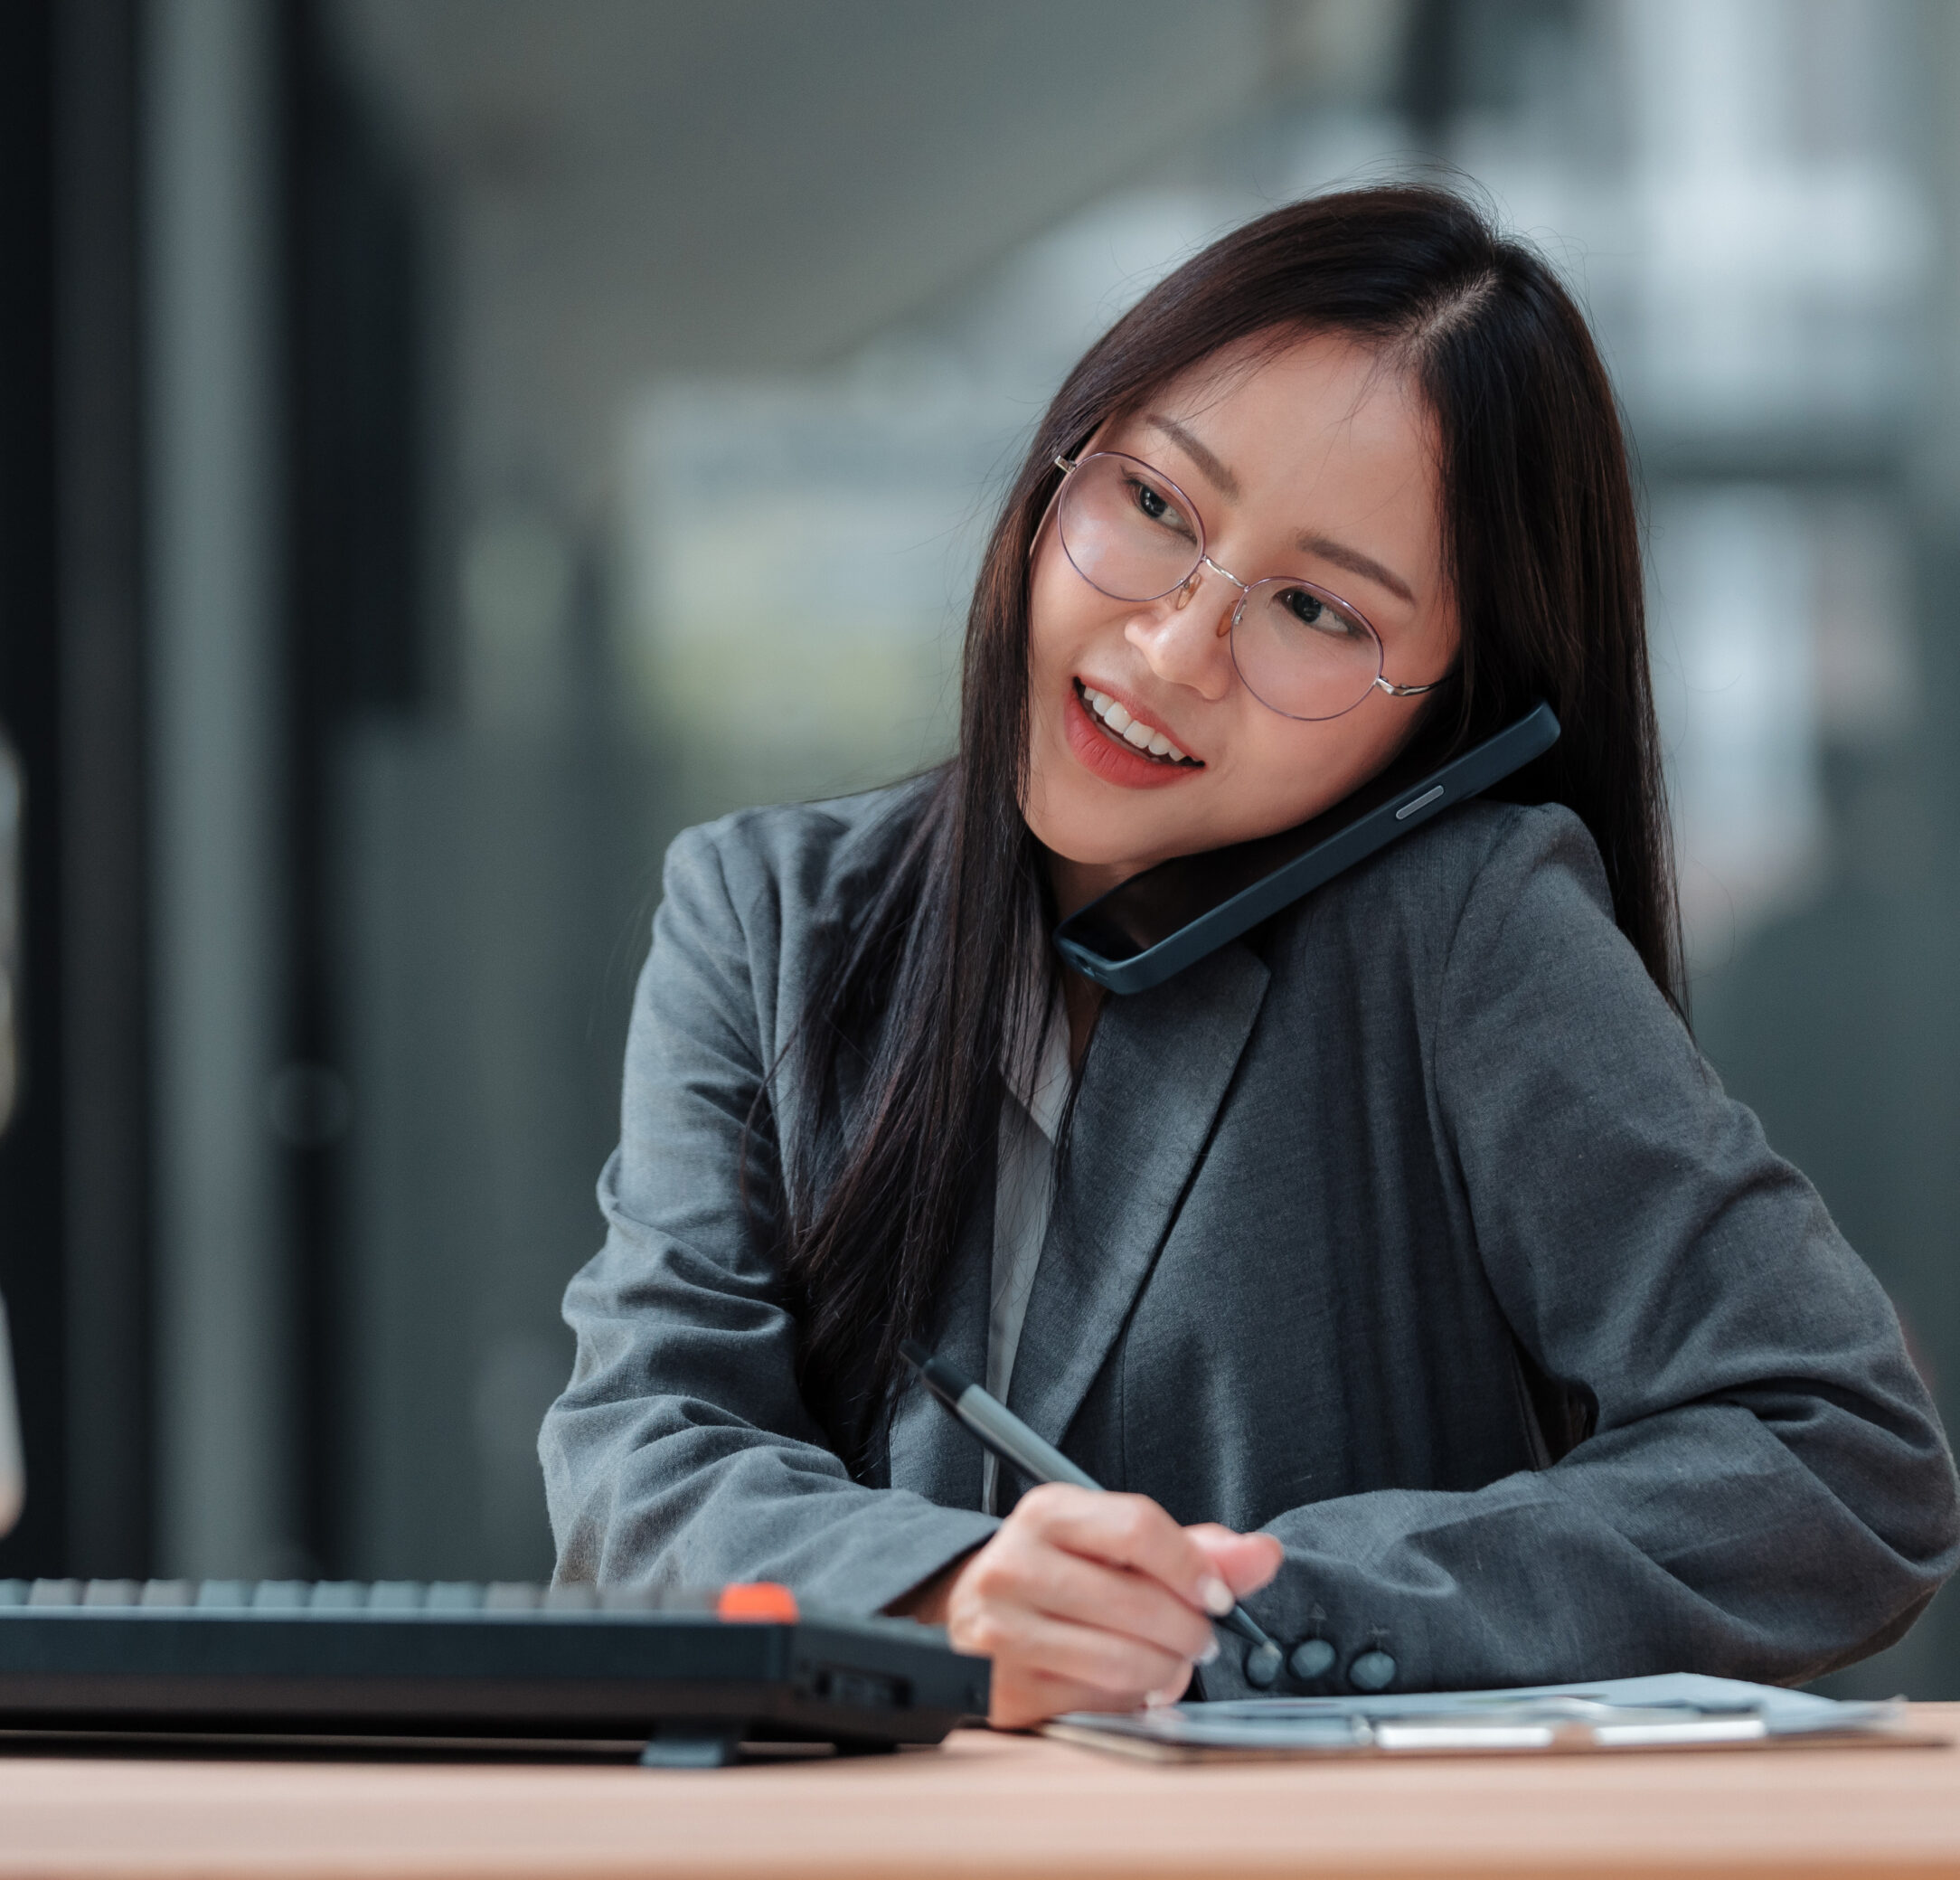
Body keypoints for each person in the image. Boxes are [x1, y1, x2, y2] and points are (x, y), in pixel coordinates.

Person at [540, 185, 1960, 1728]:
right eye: (1156, 507)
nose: (1170, 652)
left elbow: (1840, 1458)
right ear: (1062, 465)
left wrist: (1249, 1614)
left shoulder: (1468, 930)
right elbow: (640, 1463)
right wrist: (944, 1599)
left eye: (1313, 608)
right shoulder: (767, 916)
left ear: (1452, 707)